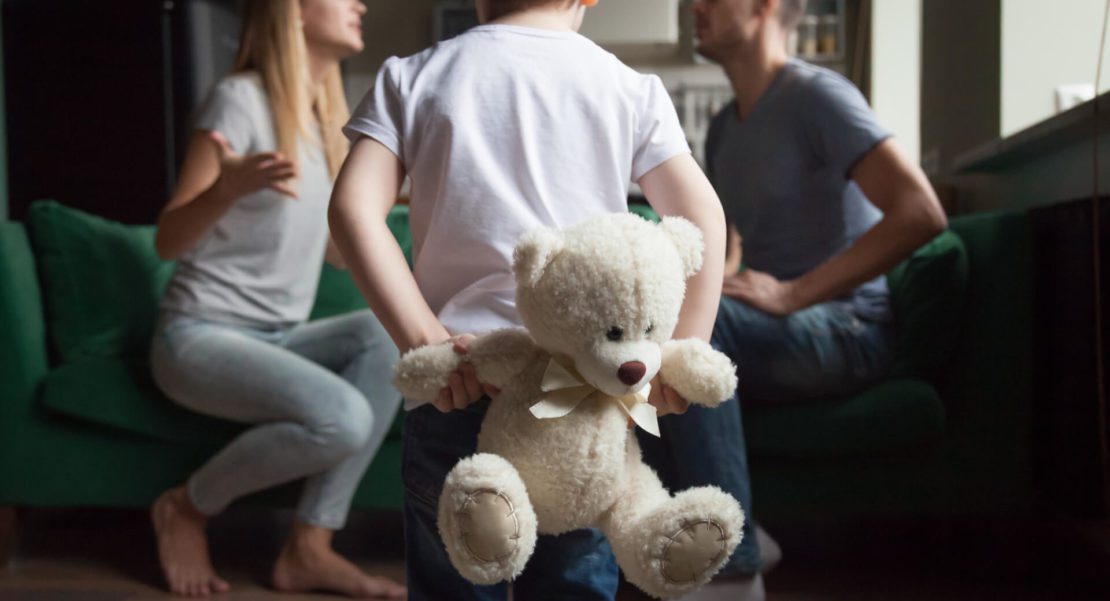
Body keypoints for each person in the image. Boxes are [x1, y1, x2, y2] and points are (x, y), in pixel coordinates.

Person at [327, 1, 753, 599]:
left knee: (455, 571)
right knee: (573, 579)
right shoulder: (628, 87)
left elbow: (351, 210)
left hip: (464, 377)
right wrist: (684, 350)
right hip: (585, 388)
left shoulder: (412, 76)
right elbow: (702, 215)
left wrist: (422, 339)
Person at [147, 0, 405, 598]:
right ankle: (185, 508)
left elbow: (340, 254)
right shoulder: (239, 101)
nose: (359, 5)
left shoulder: (322, 124)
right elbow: (167, 240)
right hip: (198, 336)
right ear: (292, 12)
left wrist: (387, 204)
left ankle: (309, 547)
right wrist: (223, 190)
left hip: (277, 335)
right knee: (342, 419)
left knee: (386, 333)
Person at [693, 0, 947, 405]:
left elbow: (921, 212)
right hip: (773, 322)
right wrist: (718, 280)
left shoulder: (818, 97)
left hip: (849, 328)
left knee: (703, 329)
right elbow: (737, 235)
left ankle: (713, 475)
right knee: (676, 314)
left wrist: (790, 294)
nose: (697, 5)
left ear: (765, 6)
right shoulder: (722, 130)